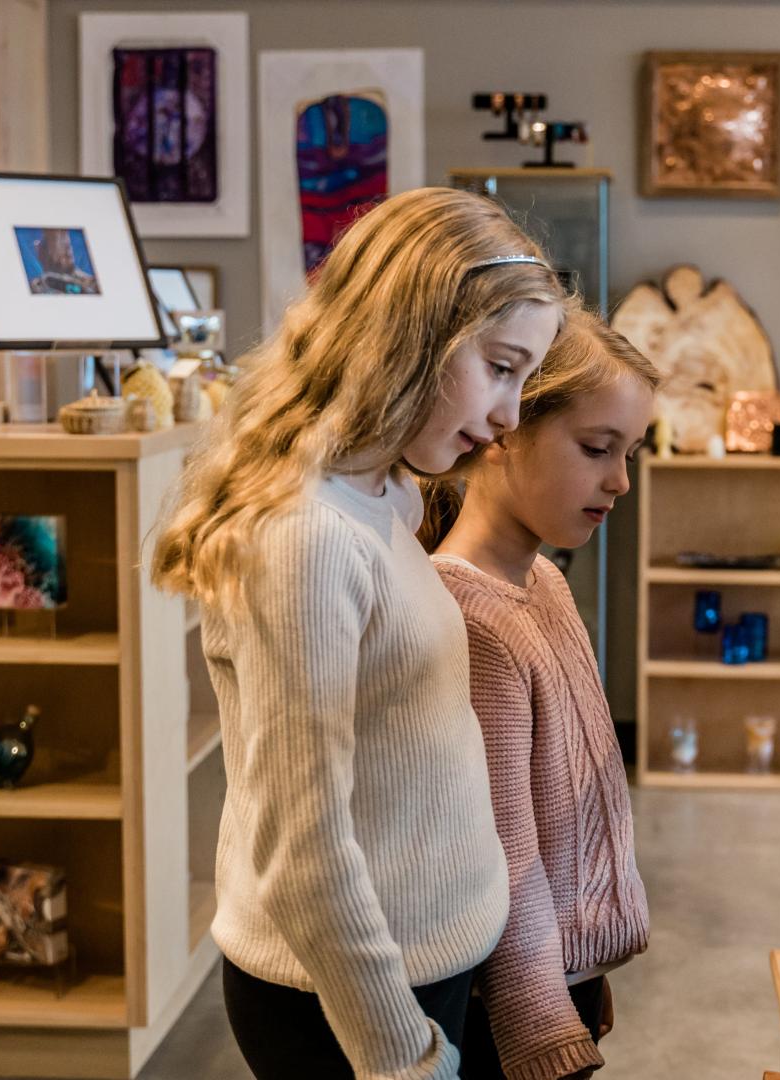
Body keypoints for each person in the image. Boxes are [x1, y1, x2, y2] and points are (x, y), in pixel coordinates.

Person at [148, 187, 569, 1080]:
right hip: (355, 1005)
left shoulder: (384, 493)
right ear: (413, 333)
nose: (508, 416)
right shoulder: (305, 537)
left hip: (430, 960)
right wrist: (400, 1057)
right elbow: (304, 850)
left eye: (526, 378)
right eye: (501, 366)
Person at [420, 310, 658, 1080]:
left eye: (631, 453)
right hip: (515, 1018)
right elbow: (508, 860)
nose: (620, 481)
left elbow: (577, 805)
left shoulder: (546, 582)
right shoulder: (475, 621)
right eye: (597, 450)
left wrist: (587, 970)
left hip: (564, 982)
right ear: (504, 432)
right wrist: (545, 1017)